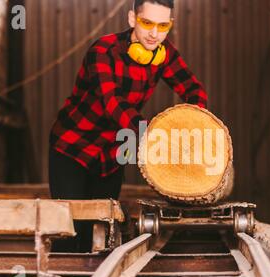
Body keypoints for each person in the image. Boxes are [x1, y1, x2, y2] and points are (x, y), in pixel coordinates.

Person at [48, 0, 208, 251]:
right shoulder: (103, 50)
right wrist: (154, 135)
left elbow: (193, 89)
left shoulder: (164, 54)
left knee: (101, 234)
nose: (155, 33)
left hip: (114, 152)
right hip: (73, 147)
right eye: (147, 23)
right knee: (69, 233)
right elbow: (113, 103)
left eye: (163, 25)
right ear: (132, 19)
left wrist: (193, 121)